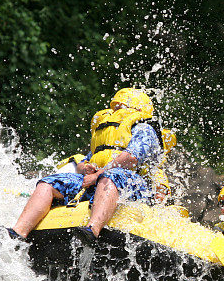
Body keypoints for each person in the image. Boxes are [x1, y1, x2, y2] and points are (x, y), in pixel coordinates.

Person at [9, 87, 162, 242]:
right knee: (49, 182)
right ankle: (18, 232)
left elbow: (131, 158)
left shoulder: (145, 129)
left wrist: (98, 174)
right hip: (98, 181)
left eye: (120, 106)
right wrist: (86, 167)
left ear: (137, 108)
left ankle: (92, 230)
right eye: (114, 107)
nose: (115, 111)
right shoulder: (106, 133)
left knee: (111, 176)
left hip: (131, 185)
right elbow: (84, 163)